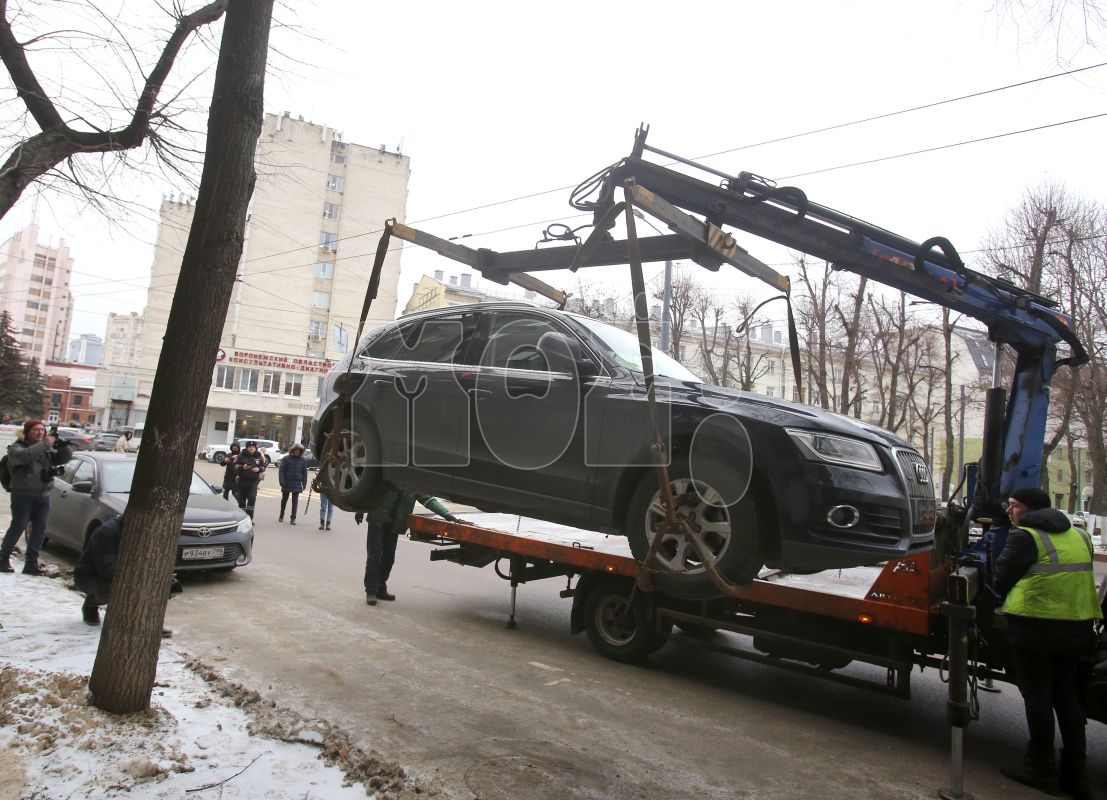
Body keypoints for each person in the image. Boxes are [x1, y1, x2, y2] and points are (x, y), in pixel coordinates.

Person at [995, 486, 1102, 800]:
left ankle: (1041, 770)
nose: (1009, 511)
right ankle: (1075, 776)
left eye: (1013, 505)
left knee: (1038, 696)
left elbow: (1001, 578)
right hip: (1078, 626)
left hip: (1035, 627)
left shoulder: (1026, 535)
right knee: (1066, 697)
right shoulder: (1079, 535)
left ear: (1027, 509)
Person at [355, 489, 460, 605]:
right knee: (374, 556)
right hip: (377, 519)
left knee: (389, 558)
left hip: (395, 524)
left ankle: (380, 587)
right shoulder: (388, 473)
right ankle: (371, 590)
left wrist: (446, 514)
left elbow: (428, 499)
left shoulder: (413, 482)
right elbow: (370, 490)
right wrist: (360, 510)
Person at [1, 420, 73, 575]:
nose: (40, 433)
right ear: (27, 432)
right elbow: (24, 456)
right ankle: (3, 558)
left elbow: (64, 458)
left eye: (42, 430)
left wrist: (62, 444)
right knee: (18, 527)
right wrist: (46, 444)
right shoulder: (17, 448)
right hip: (22, 495)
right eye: (35, 430)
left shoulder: (45, 449)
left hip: (44, 495)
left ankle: (31, 564)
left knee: (40, 530)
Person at [278, 444, 309, 525]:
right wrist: (282, 481)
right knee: (284, 500)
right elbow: (281, 471)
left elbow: (304, 472)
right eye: (295, 450)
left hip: (297, 483)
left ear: (300, 451)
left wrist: (304, 482)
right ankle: (281, 515)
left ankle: (293, 518)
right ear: (292, 451)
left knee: (295, 502)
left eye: (298, 451)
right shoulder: (286, 459)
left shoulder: (302, 460)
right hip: (287, 482)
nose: (296, 452)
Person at [234, 441, 266, 519]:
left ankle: (249, 518)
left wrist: (258, 469)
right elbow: (235, 466)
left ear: (255, 448)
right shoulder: (241, 456)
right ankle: (242, 518)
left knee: (252, 499)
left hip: (253, 482)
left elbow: (263, 467)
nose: (251, 448)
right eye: (249, 447)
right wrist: (242, 467)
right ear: (247, 448)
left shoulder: (259, 456)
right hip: (242, 481)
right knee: (241, 501)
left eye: (253, 447)